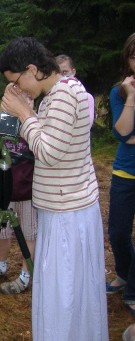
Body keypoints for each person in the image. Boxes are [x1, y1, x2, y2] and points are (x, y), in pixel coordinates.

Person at [0, 37, 109, 341]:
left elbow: (47, 151)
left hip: (68, 215)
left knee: (64, 294)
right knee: (72, 290)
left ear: (32, 70)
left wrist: (23, 113)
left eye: (17, 81)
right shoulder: (57, 94)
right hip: (67, 209)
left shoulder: (63, 94)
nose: (17, 89)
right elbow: (48, 142)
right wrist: (27, 114)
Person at [0, 95, 37, 295]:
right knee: (2, 230)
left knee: (30, 234)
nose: (23, 102)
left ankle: (25, 275)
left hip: (29, 192)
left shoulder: (35, 126)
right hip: (5, 190)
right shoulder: (5, 123)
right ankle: (1, 265)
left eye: (28, 99)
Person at [106, 32, 135, 317]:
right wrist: (133, 96)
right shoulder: (120, 91)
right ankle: (125, 273)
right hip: (125, 172)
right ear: (127, 59)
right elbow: (122, 134)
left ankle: (133, 291)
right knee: (117, 232)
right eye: (134, 55)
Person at [55, 54, 95, 128]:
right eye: (58, 73)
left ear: (73, 72)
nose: (61, 77)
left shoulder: (87, 98)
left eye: (64, 72)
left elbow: (86, 125)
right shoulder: (49, 98)